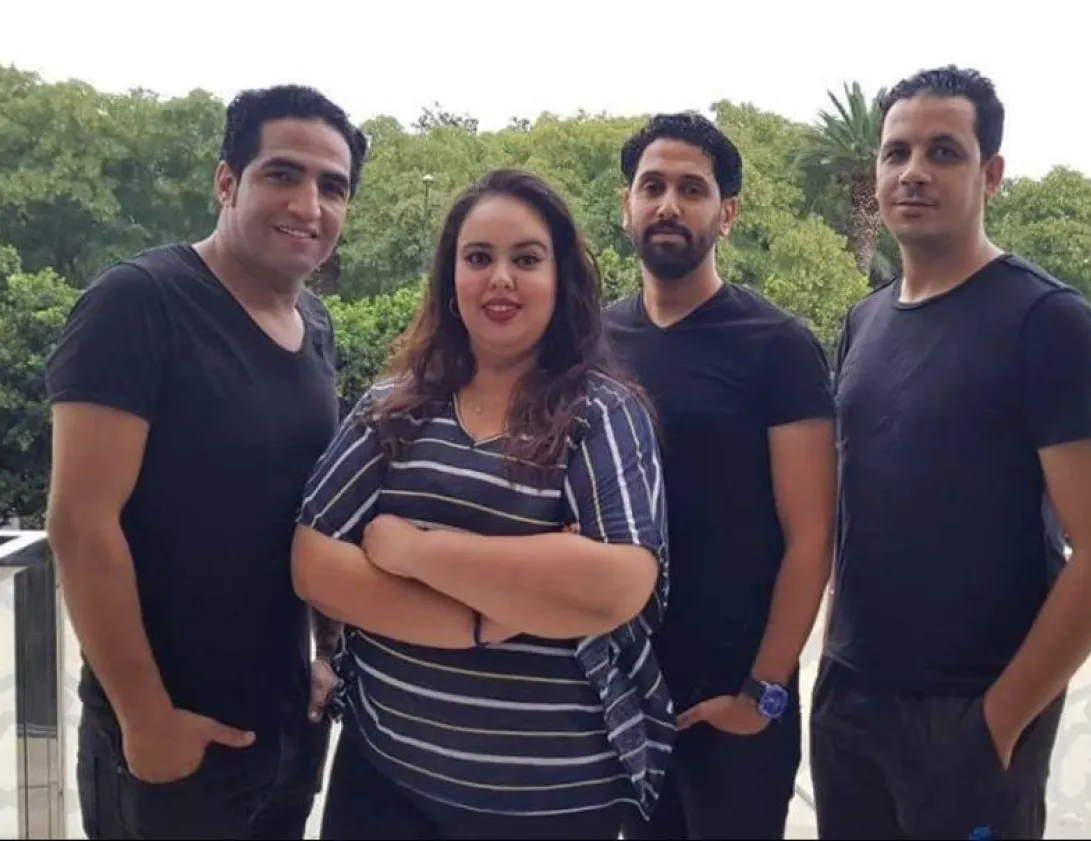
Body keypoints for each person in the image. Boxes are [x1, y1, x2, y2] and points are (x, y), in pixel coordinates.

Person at [811, 65, 1091, 840]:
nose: (913, 172)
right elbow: (858, 508)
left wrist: (999, 720)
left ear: (990, 173)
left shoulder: (1049, 324)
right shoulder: (865, 322)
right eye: (896, 153)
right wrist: (832, 658)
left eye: (944, 151)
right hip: (851, 705)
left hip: (972, 709)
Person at [290, 168, 674, 840]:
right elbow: (315, 564)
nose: (500, 278)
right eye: (478, 258)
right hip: (384, 783)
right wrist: (482, 617)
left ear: (560, 279)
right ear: (450, 279)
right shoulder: (392, 409)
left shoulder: (603, 414)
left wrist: (415, 550)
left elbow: (619, 584)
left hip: (552, 804)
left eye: (526, 259)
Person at [44, 84, 369, 839]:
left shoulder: (314, 322)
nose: (309, 204)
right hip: (172, 744)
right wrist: (146, 718)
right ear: (227, 181)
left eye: (332, 187)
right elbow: (81, 526)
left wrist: (329, 653)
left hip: (286, 726)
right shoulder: (139, 303)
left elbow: (311, 506)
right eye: (282, 174)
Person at [606, 113, 838, 839]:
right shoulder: (592, 340)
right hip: (613, 699)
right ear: (626, 206)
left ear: (726, 214)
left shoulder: (778, 346)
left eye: (691, 189)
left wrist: (761, 692)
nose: (668, 205)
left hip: (732, 708)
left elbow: (812, 537)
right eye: (652, 187)